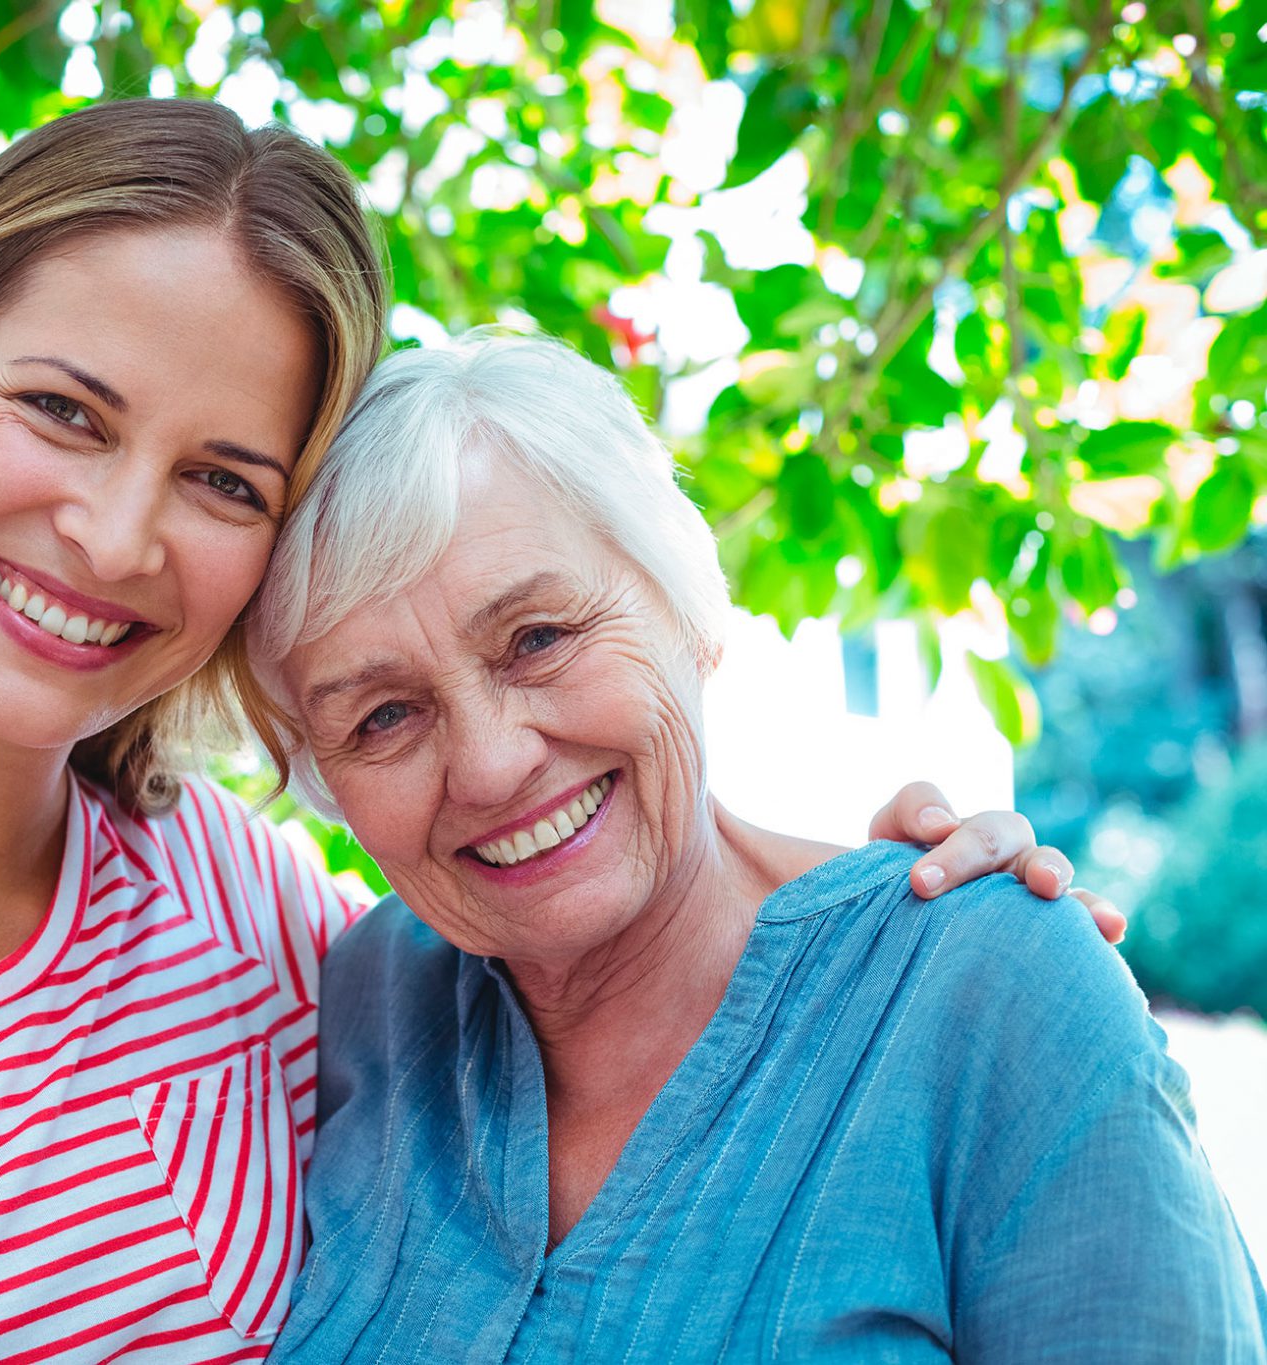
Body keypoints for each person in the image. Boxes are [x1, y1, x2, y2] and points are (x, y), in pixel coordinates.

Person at [0, 102, 1103, 1365]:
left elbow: (573, 911)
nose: (111, 535)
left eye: (218, 479)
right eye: (61, 412)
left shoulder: (253, 921)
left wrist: (912, 908)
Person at [251, 330, 1267, 1363]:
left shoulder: (989, 990)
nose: (488, 764)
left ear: (687, 607)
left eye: (538, 638)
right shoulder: (366, 996)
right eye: (381, 717)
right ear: (322, 778)